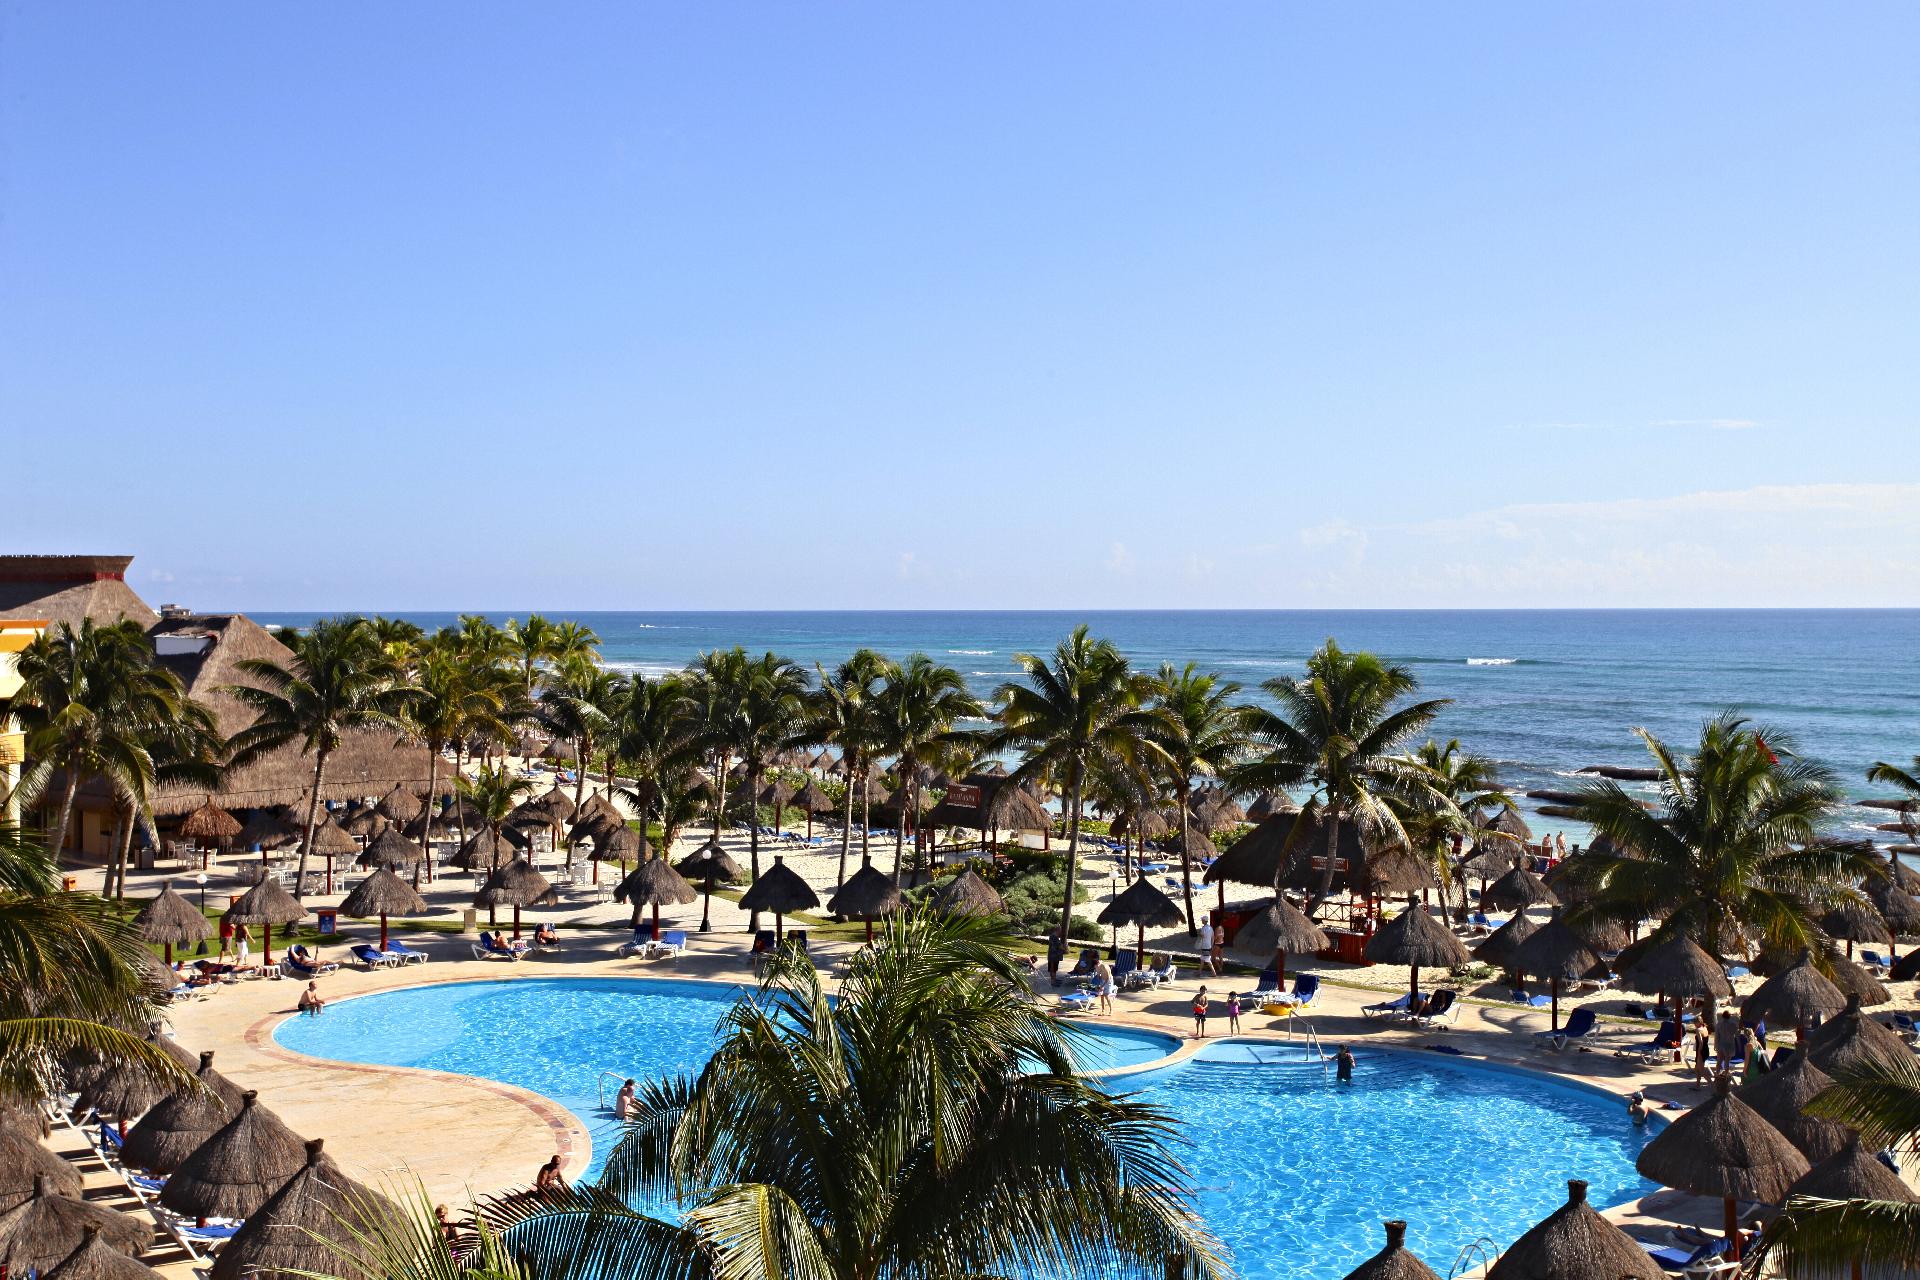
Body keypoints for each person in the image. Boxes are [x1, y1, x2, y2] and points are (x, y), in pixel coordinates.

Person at [1714, 1010, 1742, 1074]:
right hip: (1730, 1045)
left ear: (1722, 1016)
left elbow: (1717, 1036)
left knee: (1719, 1062)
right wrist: (1739, 1045)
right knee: (1727, 1062)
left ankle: (1717, 1075)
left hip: (1721, 1044)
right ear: (1729, 1016)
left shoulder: (1719, 1024)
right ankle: (1726, 1076)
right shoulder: (1733, 1025)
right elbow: (1737, 1036)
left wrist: (1715, 1045)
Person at [1692, 1020, 1714, 1086]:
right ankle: (1697, 1084)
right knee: (1697, 1068)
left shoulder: (1698, 1030)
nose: (1694, 1024)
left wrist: (1699, 1052)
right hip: (1706, 1049)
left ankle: (1712, 1085)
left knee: (1702, 1070)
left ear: (1699, 1022)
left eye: (1695, 1022)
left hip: (1701, 1050)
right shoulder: (1705, 1028)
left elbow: (1701, 1042)